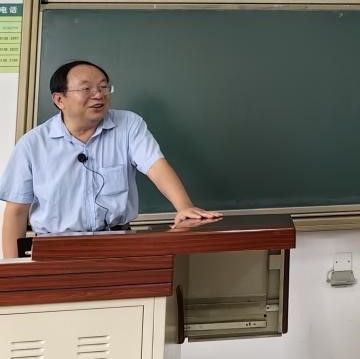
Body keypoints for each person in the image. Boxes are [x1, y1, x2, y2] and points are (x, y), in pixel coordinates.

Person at [0, 60, 221, 257]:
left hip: (118, 243)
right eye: (86, 89)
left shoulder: (128, 125)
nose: (98, 95)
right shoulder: (33, 144)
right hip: (54, 247)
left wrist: (184, 207)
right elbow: (17, 212)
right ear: (59, 99)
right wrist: (11, 269)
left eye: (103, 87)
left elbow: (156, 166)